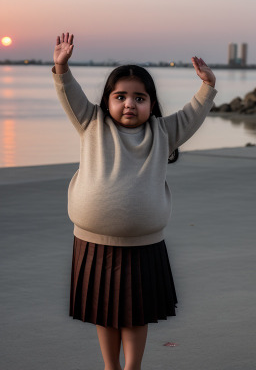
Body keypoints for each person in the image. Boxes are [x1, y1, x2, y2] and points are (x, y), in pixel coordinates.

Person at [52, 32, 217, 370]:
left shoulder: (163, 133)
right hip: (92, 240)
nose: (130, 103)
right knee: (103, 310)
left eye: (139, 98)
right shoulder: (92, 123)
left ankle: (133, 367)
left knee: (135, 312)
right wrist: (62, 67)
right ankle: (110, 366)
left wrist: (207, 86)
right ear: (107, 101)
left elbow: (192, 115)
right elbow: (70, 96)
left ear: (152, 105)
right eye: (121, 96)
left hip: (144, 243)